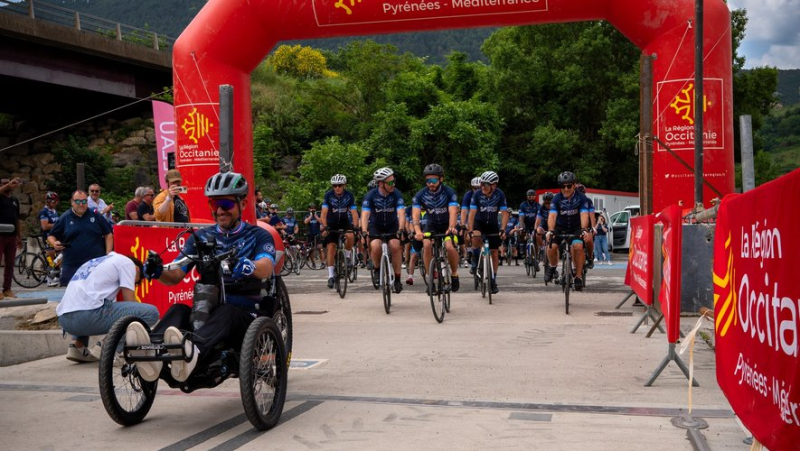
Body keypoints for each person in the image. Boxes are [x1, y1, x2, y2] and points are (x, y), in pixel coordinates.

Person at [133, 171, 277, 383]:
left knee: (227, 312)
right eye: (214, 205)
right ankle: (151, 352)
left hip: (245, 315)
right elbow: (175, 275)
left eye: (226, 205)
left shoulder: (258, 236)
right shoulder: (201, 238)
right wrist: (158, 271)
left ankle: (194, 352)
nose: (219, 211)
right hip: (209, 312)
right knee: (179, 310)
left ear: (243, 204)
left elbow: (266, 267)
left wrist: (249, 266)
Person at [56, 252, 158, 363]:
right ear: (137, 269)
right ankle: (109, 348)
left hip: (64, 320)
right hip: (86, 317)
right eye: (135, 282)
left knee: (89, 301)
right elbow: (131, 303)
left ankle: (77, 346)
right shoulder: (127, 264)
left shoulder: (97, 262)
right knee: (150, 313)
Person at [47, 190, 114, 286]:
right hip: (72, 264)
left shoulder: (95, 215)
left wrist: (108, 253)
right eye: (78, 201)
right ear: (72, 202)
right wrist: (54, 243)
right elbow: (51, 236)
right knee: (71, 294)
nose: (81, 204)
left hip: (94, 264)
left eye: (84, 201)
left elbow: (108, 234)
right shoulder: (65, 217)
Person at [411, 164, 461, 292]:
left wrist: (451, 227)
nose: (431, 184)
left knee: (450, 247)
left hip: (447, 224)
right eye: (428, 181)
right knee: (426, 245)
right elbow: (415, 215)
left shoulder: (449, 192)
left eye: (433, 180)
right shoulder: (420, 194)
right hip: (431, 224)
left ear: (441, 179)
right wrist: (417, 231)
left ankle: (454, 274)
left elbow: (453, 212)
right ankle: (430, 279)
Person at [362, 167, 406, 293]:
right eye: (390, 182)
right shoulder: (370, 196)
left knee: (395, 245)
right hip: (376, 225)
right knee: (375, 246)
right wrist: (364, 231)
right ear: (381, 184)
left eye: (394, 181)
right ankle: (377, 270)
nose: (393, 185)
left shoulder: (396, 194)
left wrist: (401, 229)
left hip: (392, 224)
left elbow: (401, 213)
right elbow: (365, 215)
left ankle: (397, 279)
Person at [544, 171, 591, 291]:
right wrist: (550, 230)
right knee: (551, 246)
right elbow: (552, 216)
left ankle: (578, 277)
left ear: (574, 185)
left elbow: (584, 215)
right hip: (560, 226)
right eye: (562, 186)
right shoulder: (556, 199)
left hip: (576, 227)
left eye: (569, 186)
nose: (566, 189)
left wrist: (584, 229)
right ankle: (553, 266)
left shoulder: (581, 198)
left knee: (578, 246)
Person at [467, 171, 508, 294]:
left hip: (493, 225)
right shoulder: (477, 195)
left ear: (493, 186)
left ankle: (493, 279)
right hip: (479, 223)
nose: (482, 187)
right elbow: (472, 213)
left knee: (494, 252)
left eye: (485, 185)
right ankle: (475, 259)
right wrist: (470, 230)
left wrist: (503, 229)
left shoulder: (500, 194)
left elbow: (505, 213)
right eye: (481, 184)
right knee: (475, 238)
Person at [320, 174, 359, 289]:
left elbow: (354, 212)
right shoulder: (328, 195)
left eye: (340, 185)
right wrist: (325, 226)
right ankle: (331, 276)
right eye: (335, 185)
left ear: (344, 185)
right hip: (331, 222)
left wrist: (355, 226)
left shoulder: (349, 195)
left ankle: (347, 256)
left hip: (344, 221)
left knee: (351, 236)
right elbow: (323, 213)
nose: (337, 188)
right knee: (331, 247)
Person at [0, 178, 23, 300]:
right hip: (0, 234)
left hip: (12, 235)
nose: (8, 185)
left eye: (8, 183)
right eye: (4, 183)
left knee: (10, 263)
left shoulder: (14, 201)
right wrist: (8, 185)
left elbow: (17, 219)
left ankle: (7, 289)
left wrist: (19, 236)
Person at [38, 191, 61, 287]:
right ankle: (50, 278)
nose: (55, 203)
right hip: (47, 236)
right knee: (51, 257)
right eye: (53, 201)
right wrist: (58, 225)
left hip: (55, 236)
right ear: (48, 201)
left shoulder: (54, 211)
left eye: (56, 201)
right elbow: (44, 226)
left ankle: (56, 274)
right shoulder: (44, 211)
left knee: (59, 256)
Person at [460, 177, 481, 268]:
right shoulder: (468, 195)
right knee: (466, 231)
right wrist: (462, 223)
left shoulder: (486, 194)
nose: (477, 190)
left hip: (483, 217)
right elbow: (464, 211)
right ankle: (468, 250)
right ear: (472, 188)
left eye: (479, 188)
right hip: (471, 218)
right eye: (475, 188)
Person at [575, 184, 596, 269]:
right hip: (576, 224)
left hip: (587, 224)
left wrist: (593, 227)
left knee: (589, 240)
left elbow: (592, 216)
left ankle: (590, 258)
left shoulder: (588, 201)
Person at [304, 202, 322, 268]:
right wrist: (311, 215)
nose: (313, 209)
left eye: (314, 208)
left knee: (320, 248)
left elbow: (320, 221)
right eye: (311, 208)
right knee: (311, 250)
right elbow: (306, 222)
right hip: (310, 234)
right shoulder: (307, 215)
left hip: (317, 233)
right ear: (309, 209)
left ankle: (322, 262)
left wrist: (315, 215)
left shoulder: (318, 214)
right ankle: (313, 263)